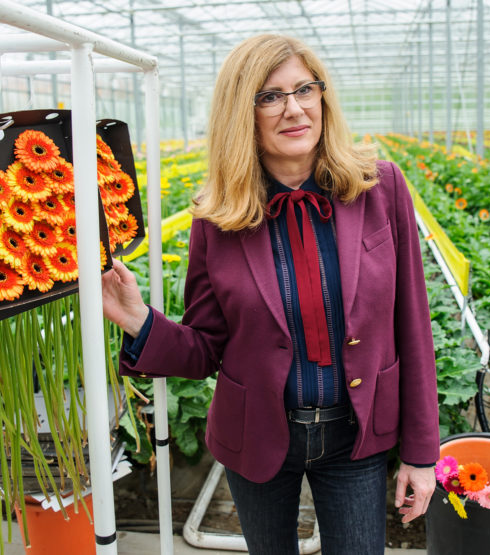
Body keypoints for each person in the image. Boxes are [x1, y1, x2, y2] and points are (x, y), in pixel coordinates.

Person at [102, 34, 439, 555]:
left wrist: (421, 454)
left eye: (304, 89)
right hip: (258, 436)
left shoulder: (382, 188)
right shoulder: (217, 217)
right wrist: (139, 320)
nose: (294, 108)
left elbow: (412, 326)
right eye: (269, 96)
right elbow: (206, 346)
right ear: (244, 113)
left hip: (355, 437)